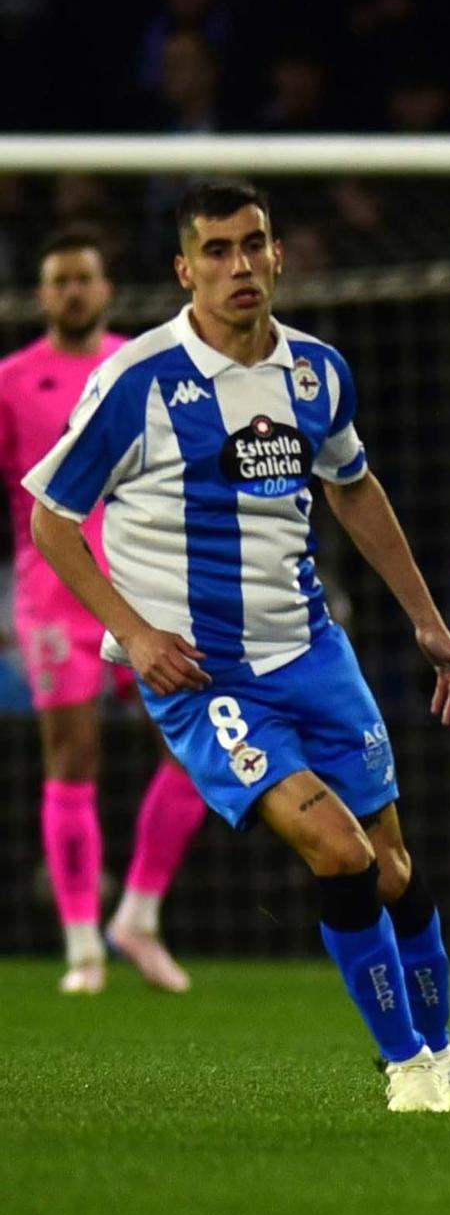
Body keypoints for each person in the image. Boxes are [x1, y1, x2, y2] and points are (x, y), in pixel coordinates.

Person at [23, 180, 450, 1113]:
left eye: (254, 245)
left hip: (315, 654)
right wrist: (132, 632)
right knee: (337, 849)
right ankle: (403, 1063)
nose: (239, 265)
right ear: (183, 269)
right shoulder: (139, 381)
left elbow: (352, 488)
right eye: (217, 250)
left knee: (393, 863)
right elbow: (52, 520)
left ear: (278, 255)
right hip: (205, 674)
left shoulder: (317, 371)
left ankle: (446, 1054)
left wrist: (428, 621)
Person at [0, 227, 209, 996]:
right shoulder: (12, 380)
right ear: (41, 293)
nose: (72, 291)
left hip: (147, 588)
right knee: (73, 754)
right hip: (56, 596)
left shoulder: (144, 367)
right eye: (59, 280)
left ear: (107, 288)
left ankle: (141, 914)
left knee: (191, 746)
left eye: (83, 277)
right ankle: (84, 943)